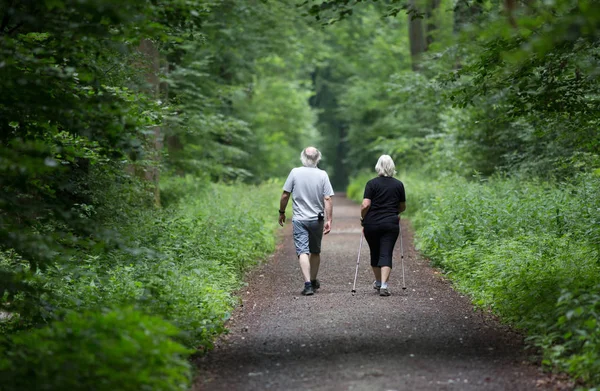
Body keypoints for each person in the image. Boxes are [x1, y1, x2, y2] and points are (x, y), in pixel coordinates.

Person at [279, 147, 334, 296]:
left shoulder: (295, 172)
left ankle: (308, 284)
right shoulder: (322, 175)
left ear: (302, 157)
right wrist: (329, 219)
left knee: (302, 251)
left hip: (299, 219)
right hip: (317, 219)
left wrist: (282, 212)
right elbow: (327, 198)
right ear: (318, 158)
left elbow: (285, 195)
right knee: (315, 251)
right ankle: (314, 280)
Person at [360, 155, 406, 296]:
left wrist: (362, 216)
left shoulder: (371, 184)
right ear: (392, 167)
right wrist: (393, 212)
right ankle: (384, 285)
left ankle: (378, 282)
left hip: (371, 223)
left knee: (375, 252)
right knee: (386, 252)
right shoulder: (398, 185)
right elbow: (402, 207)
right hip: (390, 223)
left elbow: (366, 204)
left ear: (378, 166)